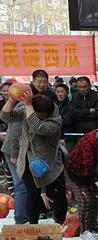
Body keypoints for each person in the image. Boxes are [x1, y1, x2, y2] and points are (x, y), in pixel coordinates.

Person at [1, 93, 66, 224]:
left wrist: (29, 106)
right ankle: (32, 225)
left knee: (58, 195)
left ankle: (60, 223)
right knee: (32, 194)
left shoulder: (55, 121)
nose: (36, 117)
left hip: (49, 163)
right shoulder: (27, 110)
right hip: (27, 159)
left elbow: (37, 126)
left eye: (40, 115)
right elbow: (6, 117)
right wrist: (11, 101)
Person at [0, 92, 27, 224]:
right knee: (21, 185)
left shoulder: (28, 106)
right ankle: (21, 219)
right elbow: (15, 133)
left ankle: (24, 215)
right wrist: (15, 154)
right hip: (13, 150)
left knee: (21, 184)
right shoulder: (23, 108)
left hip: (19, 151)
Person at [70, 76, 98, 151]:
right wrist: (88, 111)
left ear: (89, 86)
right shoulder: (75, 96)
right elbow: (72, 113)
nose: (82, 89)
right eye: (79, 87)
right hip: (79, 131)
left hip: (94, 131)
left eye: (84, 87)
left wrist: (80, 115)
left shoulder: (97, 96)